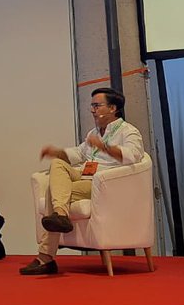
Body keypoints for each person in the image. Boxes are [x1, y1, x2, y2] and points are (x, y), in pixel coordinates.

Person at [20, 87, 144, 276]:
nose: (92, 110)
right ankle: (60, 215)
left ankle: (45, 257)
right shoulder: (94, 132)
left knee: (54, 192)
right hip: (85, 176)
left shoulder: (129, 131)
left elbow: (133, 156)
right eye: (92, 106)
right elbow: (78, 154)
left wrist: (104, 147)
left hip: (105, 181)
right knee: (58, 164)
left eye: (97, 105)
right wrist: (56, 152)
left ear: (112, 108)